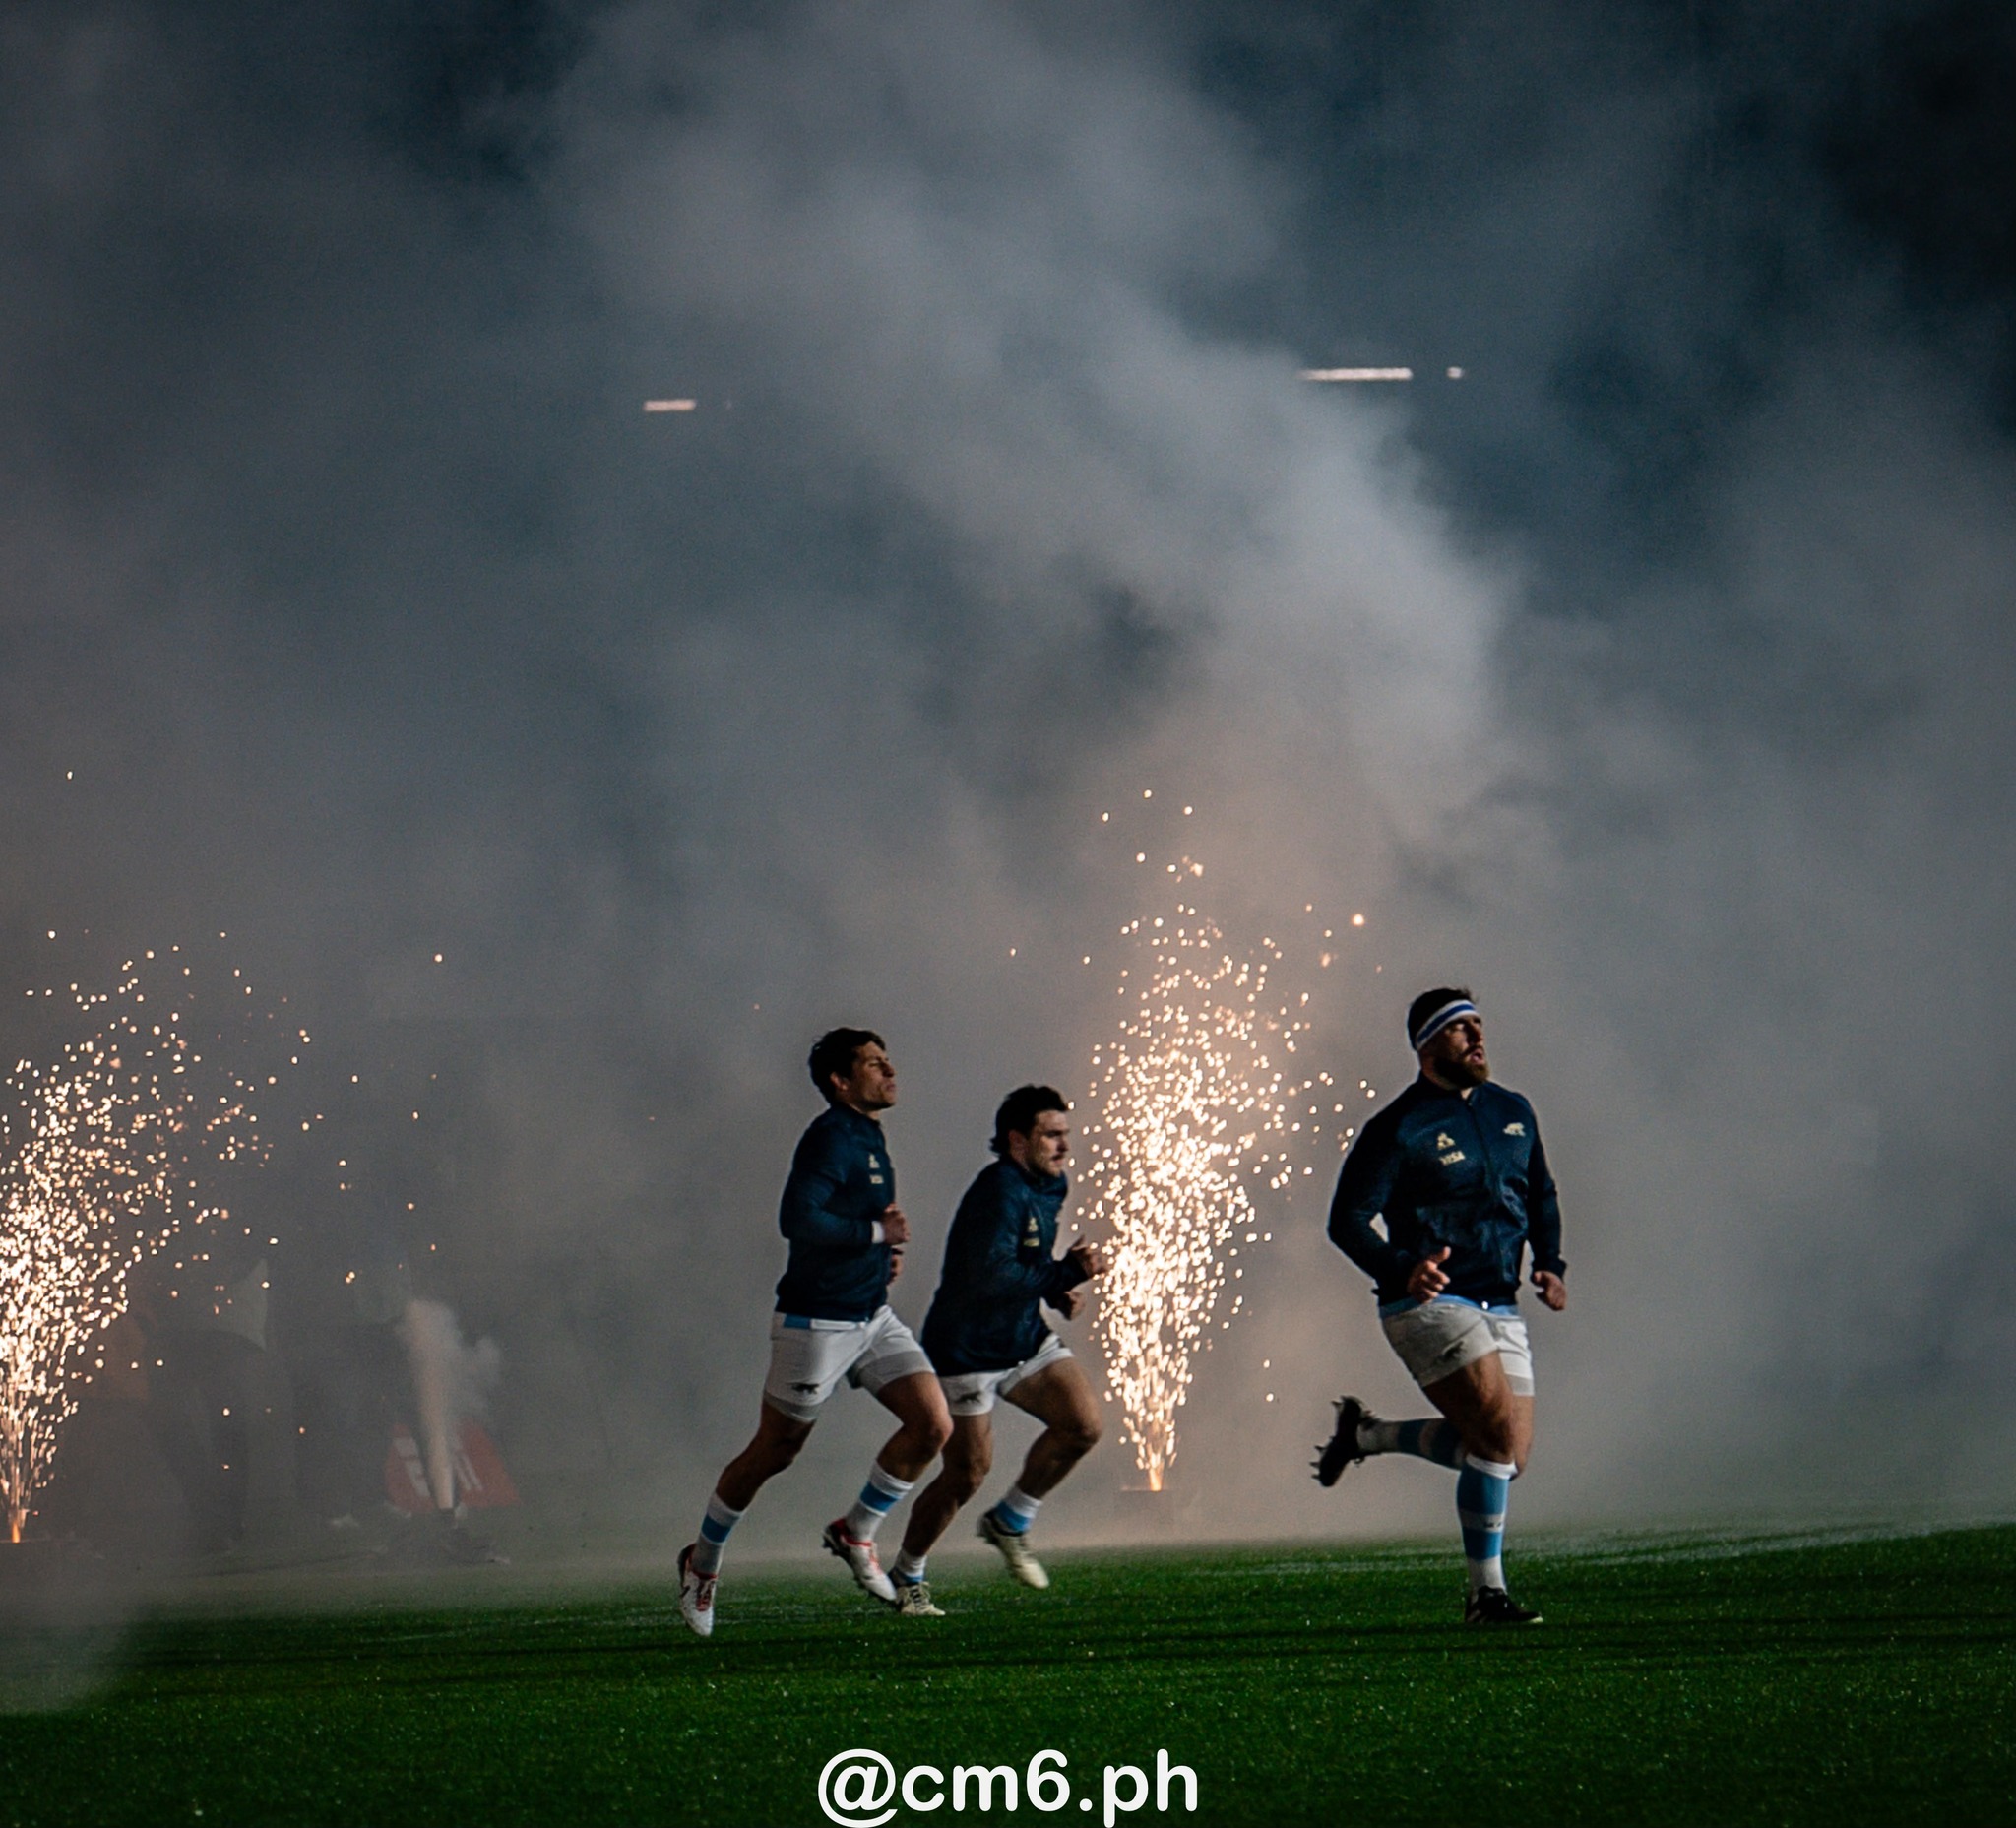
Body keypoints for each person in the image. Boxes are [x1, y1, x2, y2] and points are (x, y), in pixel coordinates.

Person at [678, 1028, 951, 1637]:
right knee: (776, 1451)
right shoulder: (830, 1136)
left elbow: (852, 1218)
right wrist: (877, 1236)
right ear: (840, 1081)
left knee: (933, 1424)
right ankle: (702, 1562)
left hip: (870, 1316)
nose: (890, 1070)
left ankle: (856, 1531)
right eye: (874, 1064)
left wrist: (880, 1257)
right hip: (817, 1322)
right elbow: (796, 1218)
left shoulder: (869, 1134)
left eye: (887, 1059)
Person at [1315, 988, 1567, 1625]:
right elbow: (1347, 1220)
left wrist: (1550, 1262)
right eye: (1459, 1028)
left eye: (1478, 1024)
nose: (1477, 1036)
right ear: (1426, 1046)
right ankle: (1486, 1595)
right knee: (1494, 1440)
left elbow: (1540, 1193)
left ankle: (1366, 1435)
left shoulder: (1513, 1109)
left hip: (1499, 1301)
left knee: (1508, 1457)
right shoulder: (1399, 1127)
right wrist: (1402, 1267)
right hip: (1427, 1302)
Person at [887, 1086, 1109, 1617]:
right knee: (966, 1474)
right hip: (969, 1349)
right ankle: (907, 1574)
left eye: (1065, 1135)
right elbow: (991, 1276)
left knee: (1083, 1425)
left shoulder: (1051, 1185)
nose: (1064, 1147)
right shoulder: (998, 1191)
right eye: (1051, 1136)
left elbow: (1026, 1258)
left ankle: (1011, 1520)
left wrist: (1054, 1289)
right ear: (1017, 1141)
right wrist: (1065, 1273)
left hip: (1022, 1337)